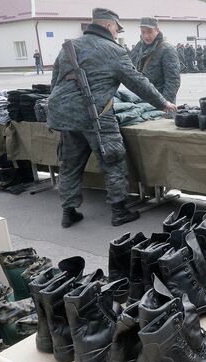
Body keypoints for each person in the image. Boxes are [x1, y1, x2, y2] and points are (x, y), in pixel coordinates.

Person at [47, 8, 177, 228]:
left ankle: (68, 212)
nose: (117, 34)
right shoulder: (113, 50)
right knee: (113, 160)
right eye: (116, 29)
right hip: (96, 114)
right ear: (108, 26)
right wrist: (163, 103)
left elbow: (55, 82)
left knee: (70, 163)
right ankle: (119, 211)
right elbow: (137, 81)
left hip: (66, 115)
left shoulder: (69, 47)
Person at [129, 17, 181, 104]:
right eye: (143, 32)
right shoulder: (139, 47)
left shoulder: (167, 49)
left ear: (157, 30)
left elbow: (173, 81)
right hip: (140, 100)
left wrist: (165, 105)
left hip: (159, 100)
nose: (146, 36)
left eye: (150, 32)